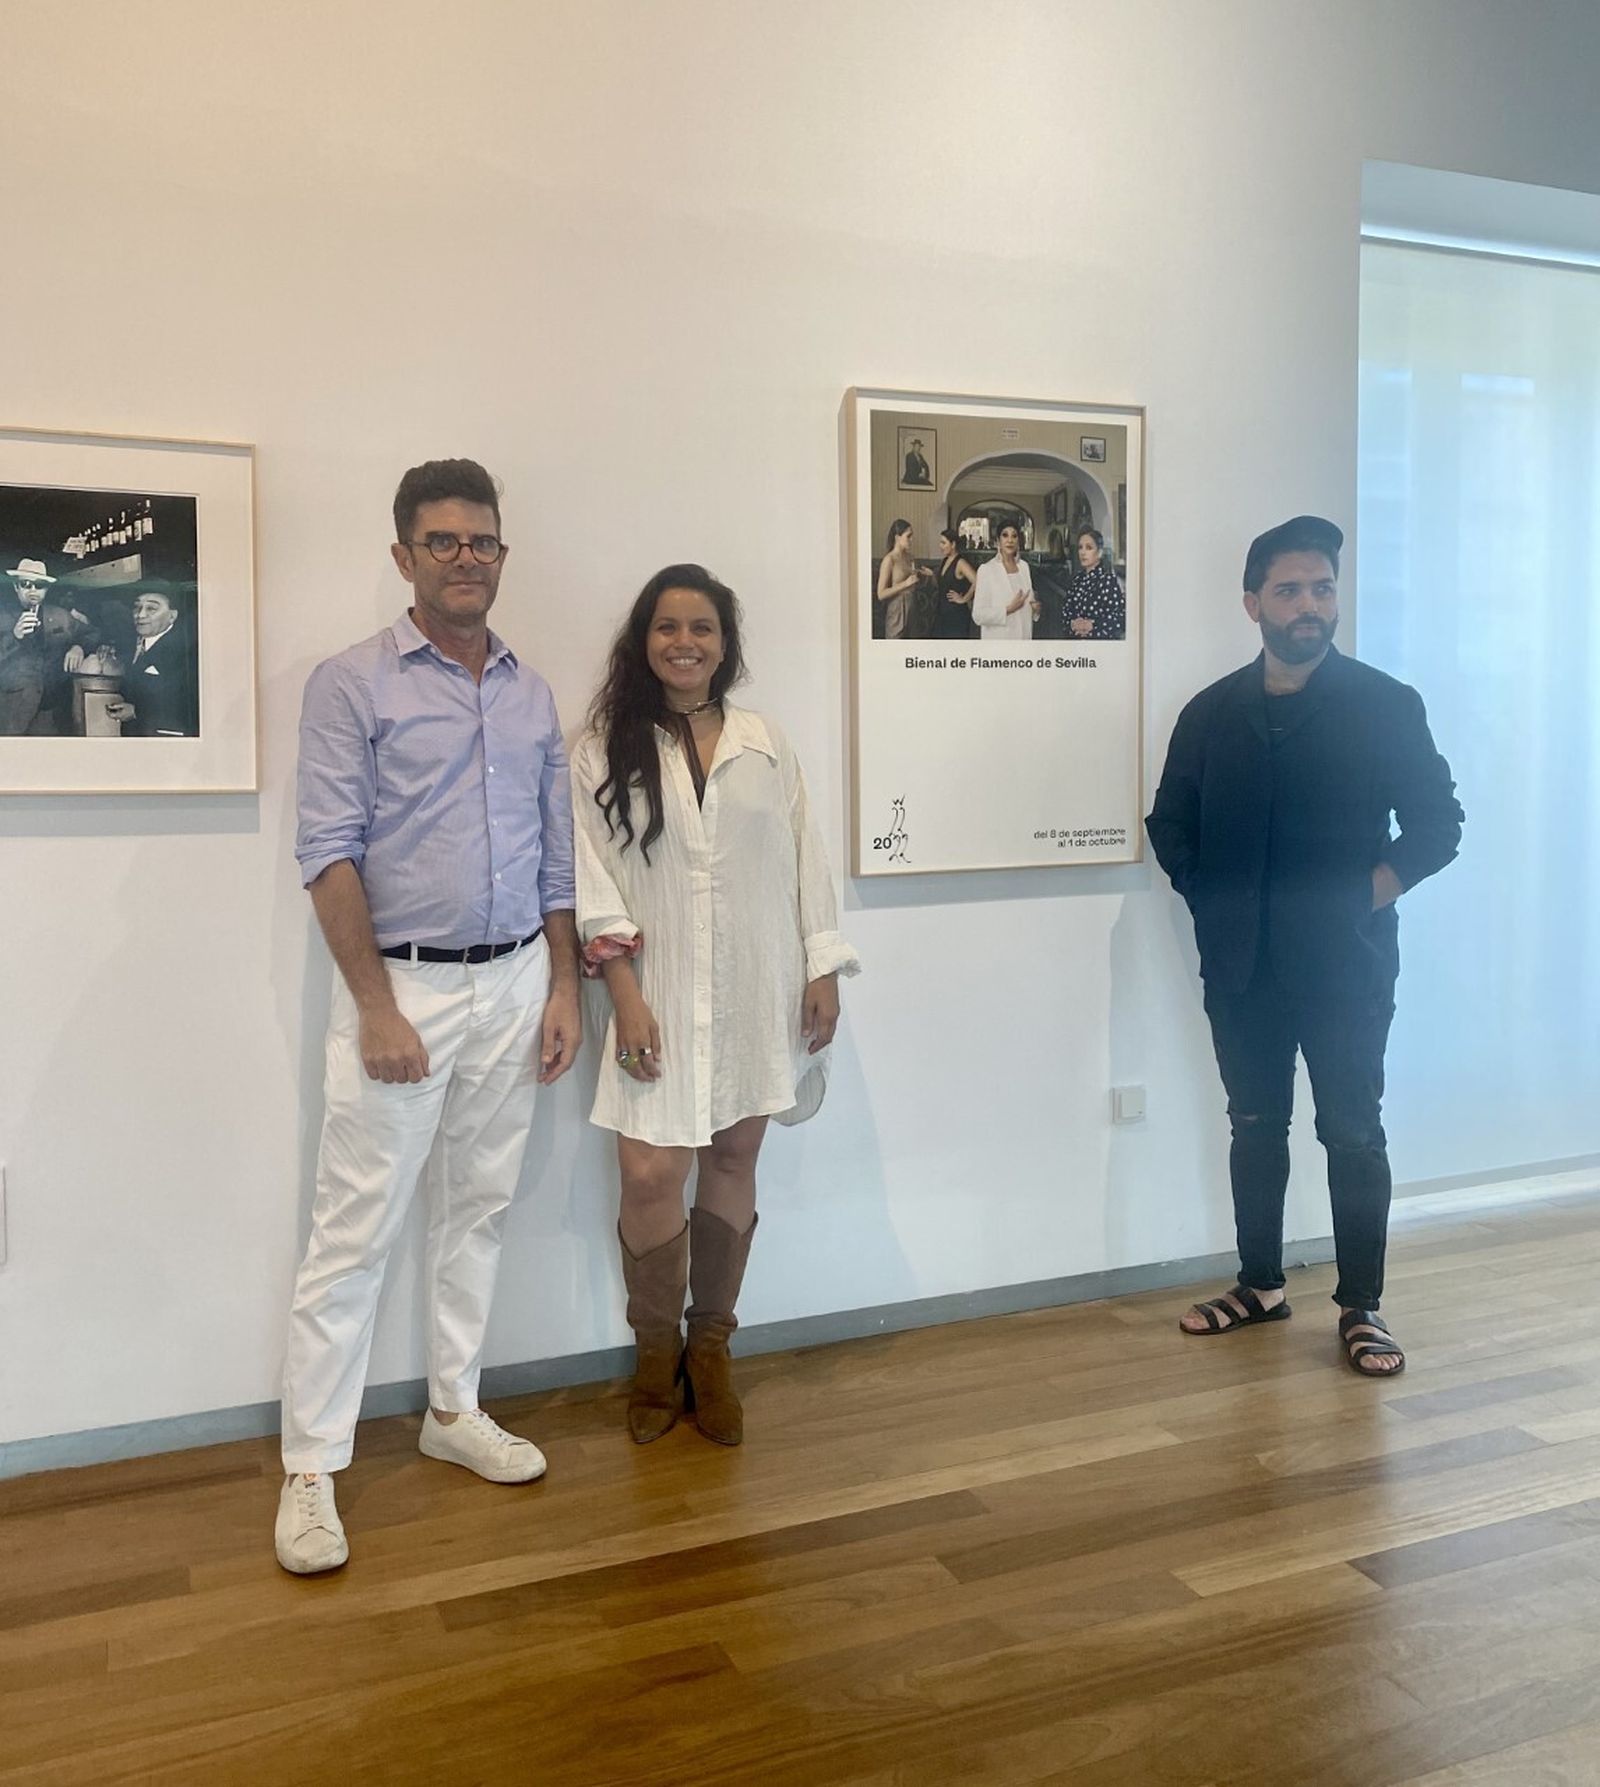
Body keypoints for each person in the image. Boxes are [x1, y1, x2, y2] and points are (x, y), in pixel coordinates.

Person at [276, 458, 581, 1575]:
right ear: (403, 557)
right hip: (400, 986)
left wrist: (561, 984)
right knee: (353, 1228)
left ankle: (452, 1408)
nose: (467, 559)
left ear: (503, 553)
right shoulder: (349, 684)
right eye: (444, 542)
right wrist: (373, 1005)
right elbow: (328, 850)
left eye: (484, 541)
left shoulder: (530, 690)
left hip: (511, 982)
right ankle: (311, 1465)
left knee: (479, 1206)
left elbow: (558, 854)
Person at [1146, 515, 1463, 1377]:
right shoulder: (1210, 713)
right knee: (1254, 1126)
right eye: (1288, 588)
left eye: (1322, 586)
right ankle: (1260, 1285)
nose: (1309, 604)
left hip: (1347, 967)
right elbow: (1169, 824)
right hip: (1242, 965)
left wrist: (1362, 898)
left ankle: (1361, 1305)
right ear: (1253, 603)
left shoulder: (1385, 705)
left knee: (1353, 1132)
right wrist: (1214, 896)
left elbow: (1438, 827)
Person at [573, 564, 859, 1448]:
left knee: (733, 1159)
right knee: (652, 1172)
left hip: (753, 987)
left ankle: (714, 1350)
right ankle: (655, 1357)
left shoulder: (765, 741)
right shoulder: (599, 747)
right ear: (643, 638)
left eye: (702, 627)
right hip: (649, 999)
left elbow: (808, 857)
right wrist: (624, 996)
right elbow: (588, 876)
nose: (684, 642)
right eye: (667, 626)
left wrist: (820, 966)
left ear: (725, 642)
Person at [0, 557, 93, 735]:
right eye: (26, 584)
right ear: (16, 587)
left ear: (47, 589)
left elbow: (92, 633)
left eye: (39, 585)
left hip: (52, 713)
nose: (32, 590)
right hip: (10, 711)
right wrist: (14, 637)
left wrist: (78, 647)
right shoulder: (2, 616)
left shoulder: (60, 615)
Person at [105, 586, 199, 736]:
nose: (140, 614)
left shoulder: (188, 651)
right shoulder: (130, 644)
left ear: (172, 616)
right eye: (137, 607)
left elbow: (194, 705)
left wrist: (137, 712)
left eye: (151, 608)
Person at [970, 522, 1040, 640]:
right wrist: (1008, 610)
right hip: (999, 642)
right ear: (998, 541)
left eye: (1014, 536)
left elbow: (1030, 602)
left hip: (1024, 639)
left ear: (1018, 541)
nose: (1010, 540)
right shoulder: (986, 570)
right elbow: (978, 615)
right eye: (1005, 535)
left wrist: (1035, 610)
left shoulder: (1024, 567)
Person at [1061, 527, 1126, 641]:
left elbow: (1120, 618)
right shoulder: (1077, 580)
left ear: (1099, 553)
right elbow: (1065, 612)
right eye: (1080, 547)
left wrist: (1092, 625)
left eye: (1089, 548)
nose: (1083, 552)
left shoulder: (1108, 580)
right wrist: (1073, 624)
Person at [875, 519, 924, 640]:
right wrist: (905, 584)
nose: (912, 540)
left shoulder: (911, 557)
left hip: (913, 608)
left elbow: (914, 582)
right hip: (896, 610)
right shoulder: (889, 560)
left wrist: (924, 575)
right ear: (897, 537)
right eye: (909, 536)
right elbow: (881, 594)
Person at [931, 528, 977, 639]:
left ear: (953, 544)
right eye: (940, 542)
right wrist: (931, 574)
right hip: (942, 614)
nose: (940, 546)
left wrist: (965, 598)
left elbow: (978, 580)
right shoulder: (945, 560)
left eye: (943, 543)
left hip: (956, 616)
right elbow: (944, 583)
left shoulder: (960, 563)